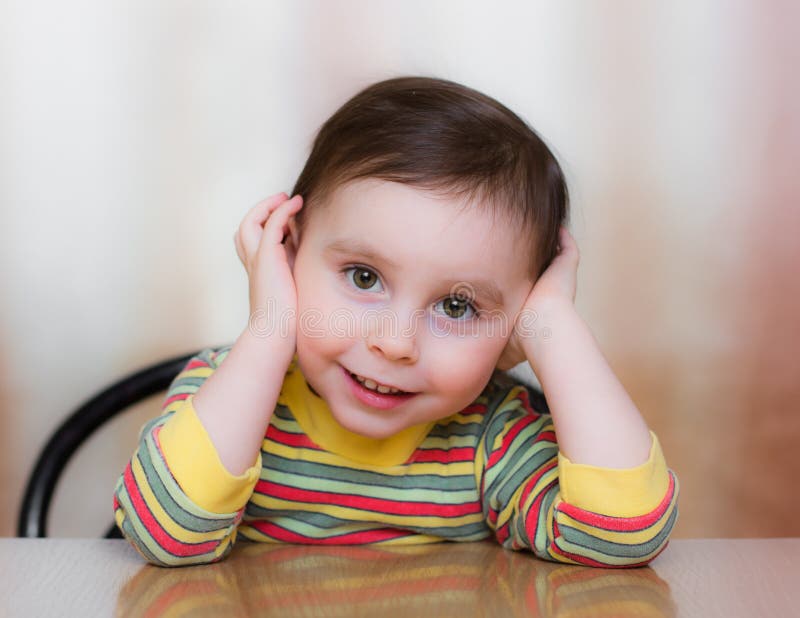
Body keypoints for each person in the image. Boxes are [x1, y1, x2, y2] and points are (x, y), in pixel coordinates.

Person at [113, 76, 679, 568]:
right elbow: (164, 534)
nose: (395, 344)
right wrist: (270, 328)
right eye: (363, 277)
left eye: (457, 307)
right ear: (287, 250)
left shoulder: (490, 440)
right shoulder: (223, 392)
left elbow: (618, 537)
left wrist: (554, 324)